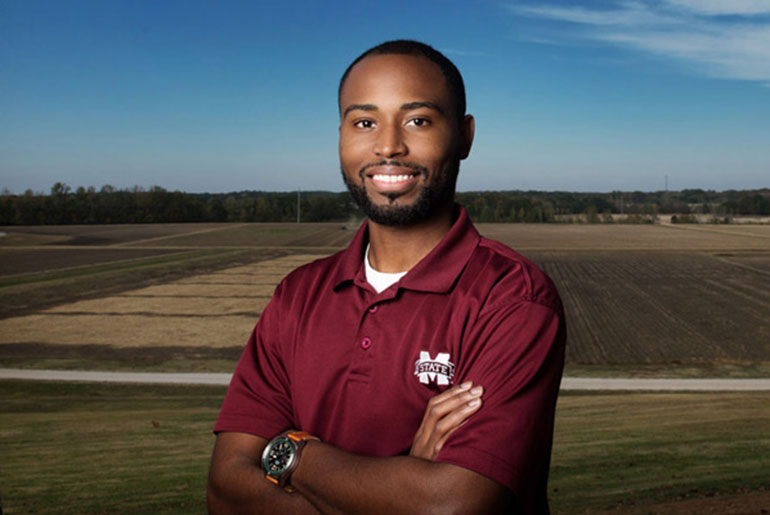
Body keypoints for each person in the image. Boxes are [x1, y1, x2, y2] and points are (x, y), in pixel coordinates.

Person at [207, 40, 566, 514]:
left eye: (418, 120)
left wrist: (292, 456)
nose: (388, 145)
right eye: (364, 122)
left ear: (464, 136)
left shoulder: (513, 299)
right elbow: (224, 492)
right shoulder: (297, 295)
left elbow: (451, 506)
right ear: (340, 134)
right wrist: (403, 481)